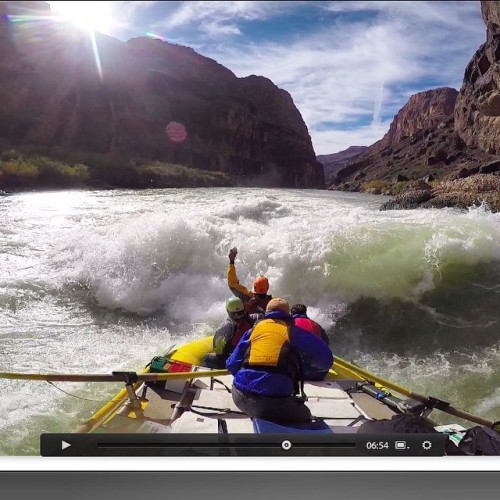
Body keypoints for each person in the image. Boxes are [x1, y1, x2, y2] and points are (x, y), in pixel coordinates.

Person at [226, 297, 334, 424]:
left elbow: (231, 365)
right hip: (274, 404)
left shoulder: (252, 330)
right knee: (305, 414)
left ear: (267, 313)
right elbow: (326, 362)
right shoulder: (294, 332)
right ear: (288, 315)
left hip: (239, 397)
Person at [203, 296, 261, 369]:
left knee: (205, 358)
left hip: (237, 361)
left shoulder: (224, 330)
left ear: (228, 311)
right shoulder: (255, 318)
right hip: (254, 355)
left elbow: (219, 354)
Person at [291, 303, 332, 381]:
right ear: (305, 313)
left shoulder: (289, 325)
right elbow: (326, 344)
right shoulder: (317, 325)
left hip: (296, 372)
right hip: (318, 373)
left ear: (291, 313)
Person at [226, 247, 272, 315]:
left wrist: (231, 261)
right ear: (267, 288)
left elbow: (232, 283)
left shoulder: (247, 296)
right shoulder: (273, 301)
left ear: (255, 287)